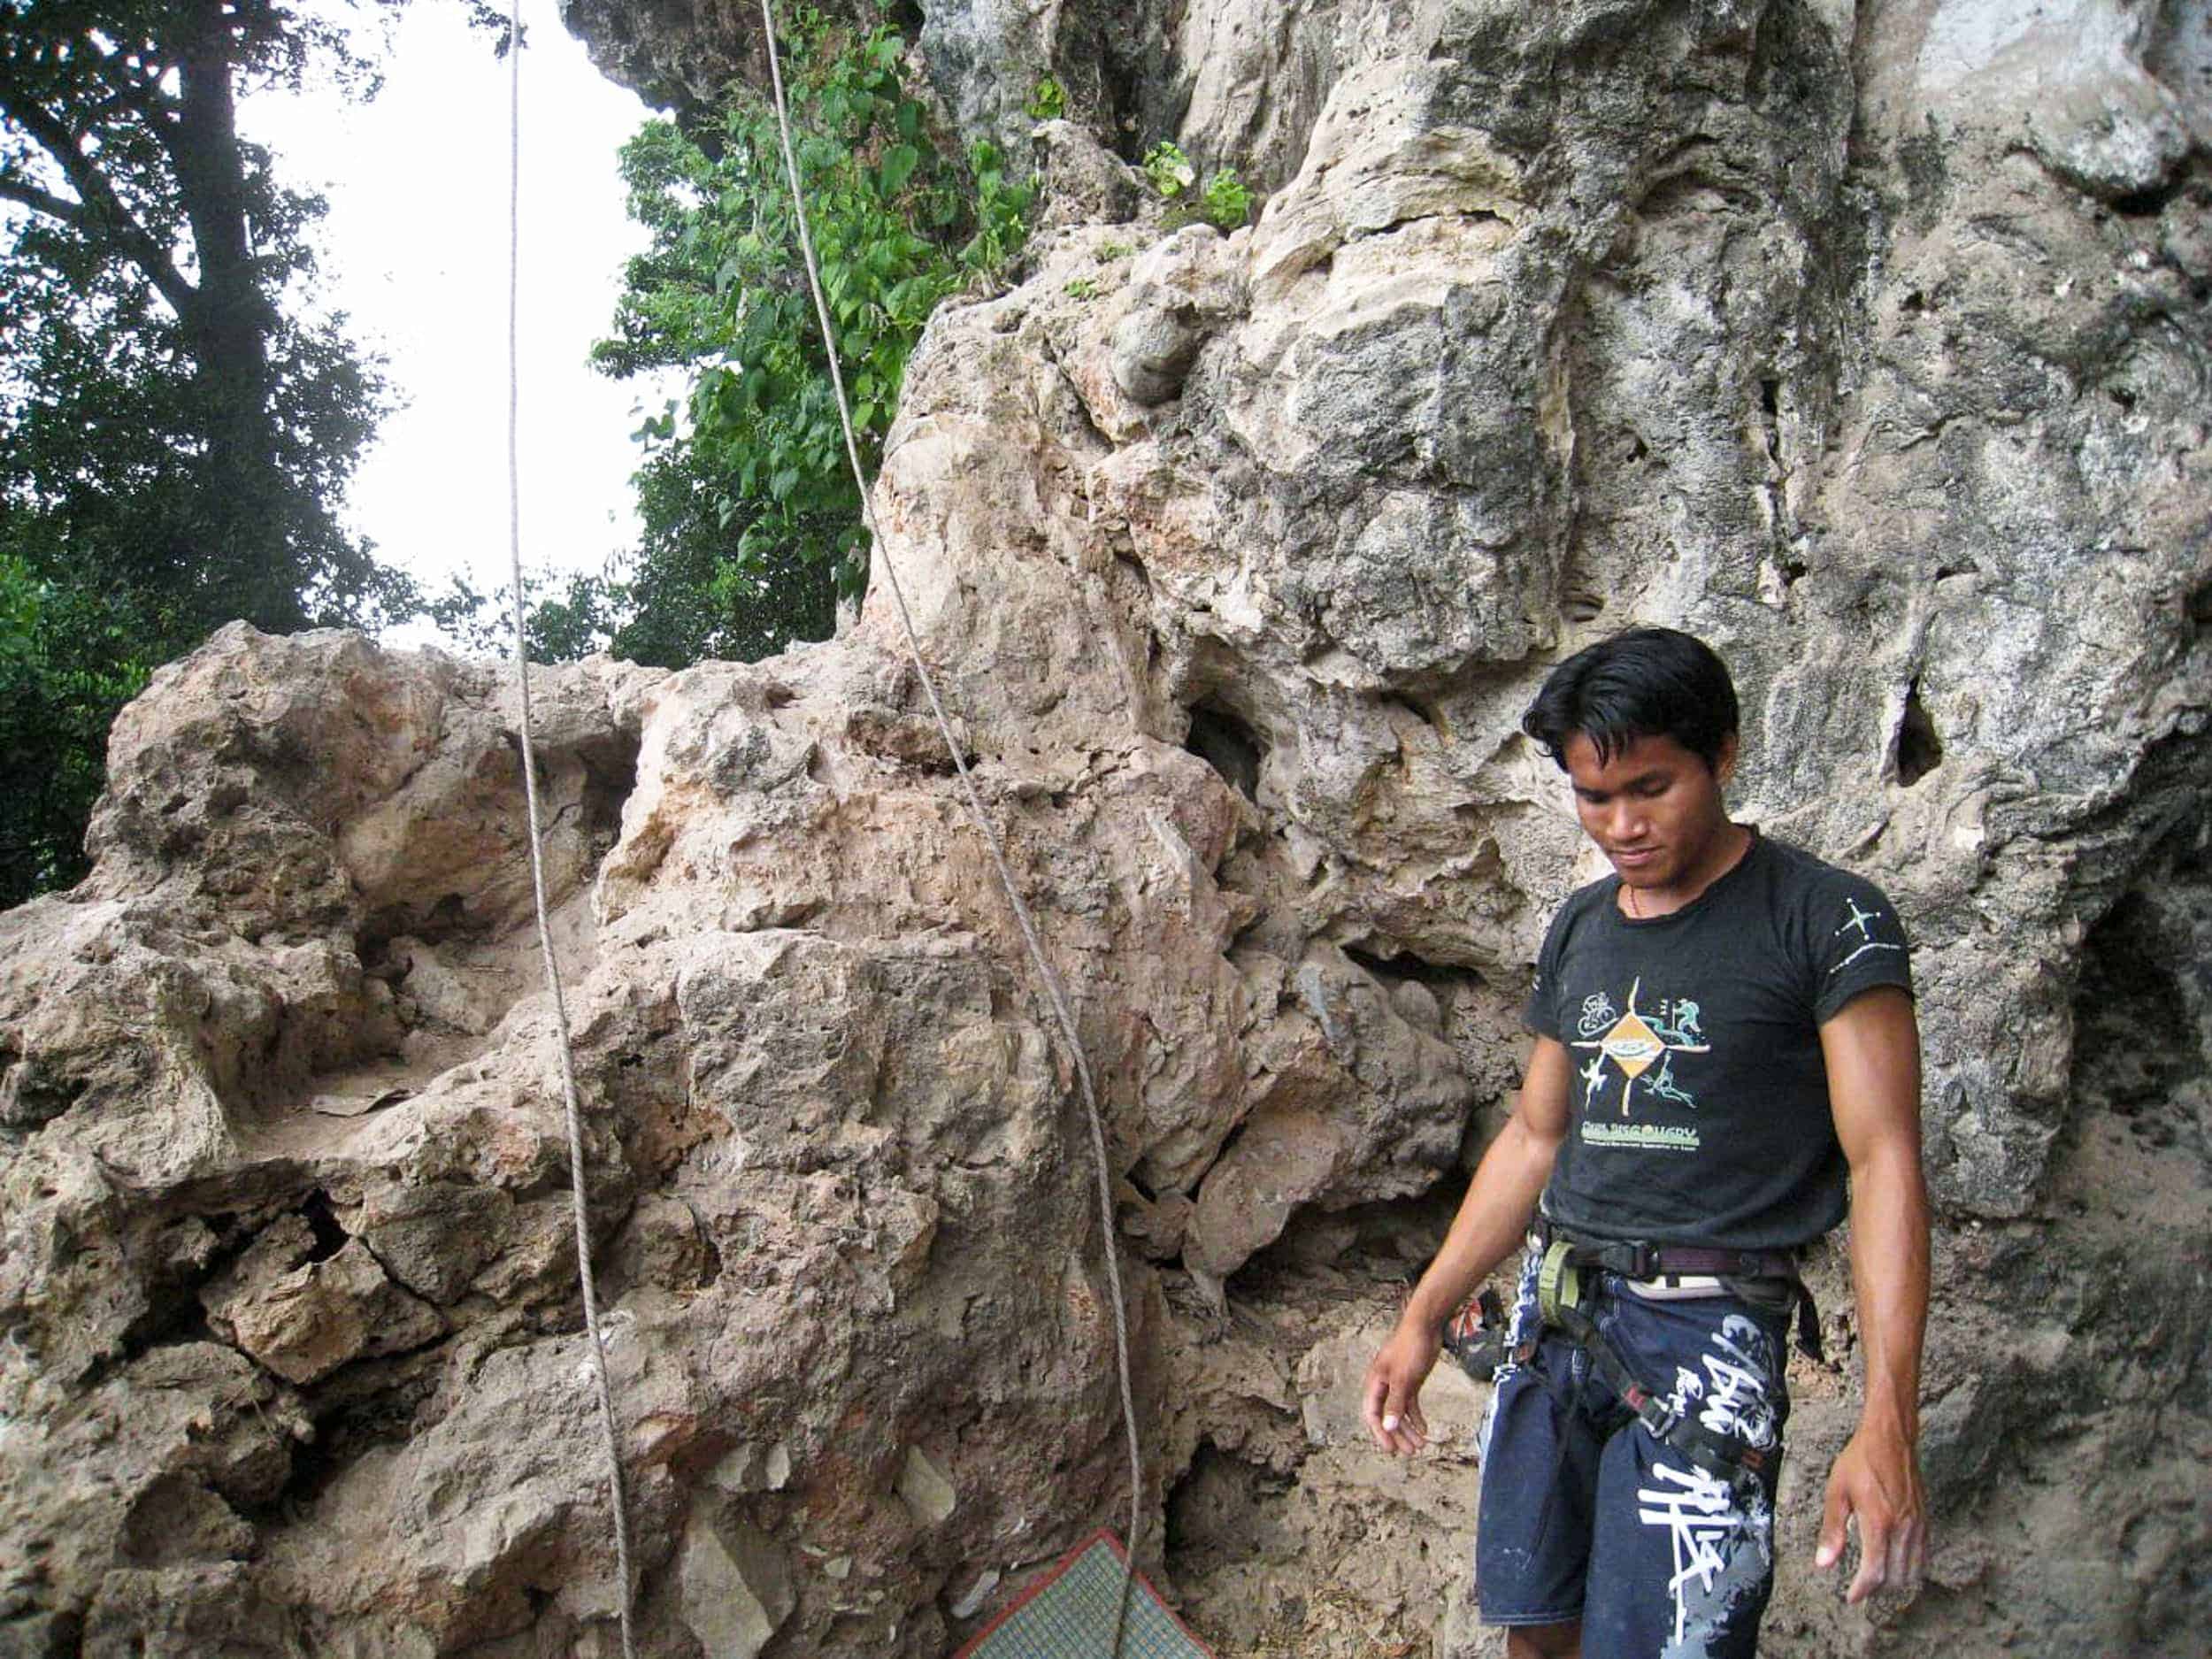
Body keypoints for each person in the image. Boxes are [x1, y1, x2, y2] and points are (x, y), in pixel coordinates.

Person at [1362, 627, 1930, 1658]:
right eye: (1591, 795)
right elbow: (1536, 1138)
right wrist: (1424, 1313)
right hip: (1556, 1317)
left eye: (1650, 789)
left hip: (1707, 1337)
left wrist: (1889, 1418)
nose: (1619, 824)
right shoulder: (1582, 928)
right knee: (1535, 1631)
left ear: (1724, 754)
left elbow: (1885, 1160)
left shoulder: (1829, 922)